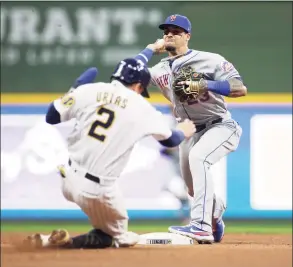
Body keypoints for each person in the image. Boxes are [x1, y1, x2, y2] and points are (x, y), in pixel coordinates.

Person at [24, 57, 196, 249]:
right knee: (116, 238)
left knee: (107, 230)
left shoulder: (90, 90)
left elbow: (51, 117)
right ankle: (54, 242)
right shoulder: (142, 108)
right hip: (98, 190)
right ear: (138, 85)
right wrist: (184, 130)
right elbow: (171, 140)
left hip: (68, 178)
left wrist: (74, 90)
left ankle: (56, 240)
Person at [133, 14, 247, 244]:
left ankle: (201, 227)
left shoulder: (210, 60)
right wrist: (148, 49)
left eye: (176, 31)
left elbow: (239, 87)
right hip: (189, 131)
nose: (169, 35)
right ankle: (214, 214)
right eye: (166, 31)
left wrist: (206, 83)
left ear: (187, 36)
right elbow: (130, 73)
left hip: (220, 125)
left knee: (199, 158)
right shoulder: (159, 70)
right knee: (194, 189)